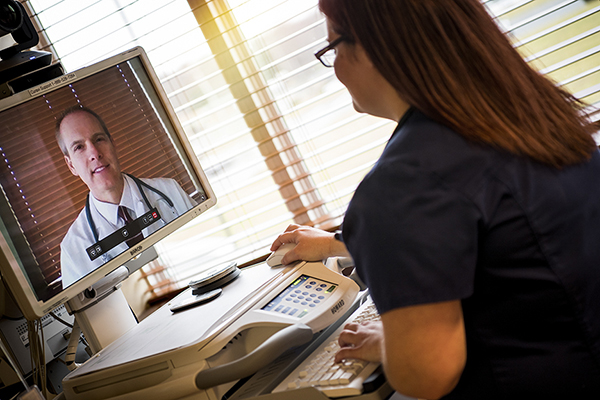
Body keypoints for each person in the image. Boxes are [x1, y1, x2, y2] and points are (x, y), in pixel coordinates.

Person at [270, 0, 600, 399]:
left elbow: (426, 377)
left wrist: (393, 344)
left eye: (333, 49)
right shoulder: (530, 114)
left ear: (375, 48)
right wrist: (339, 244)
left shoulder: (404, 182)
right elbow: (498, 232)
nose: (336, 66)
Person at [56, 106, 196, 288]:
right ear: (71, 165)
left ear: (112, 144)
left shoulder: (170, 191)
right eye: (79, 147)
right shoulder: (73, 248)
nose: (94, 153)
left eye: (99, 139)